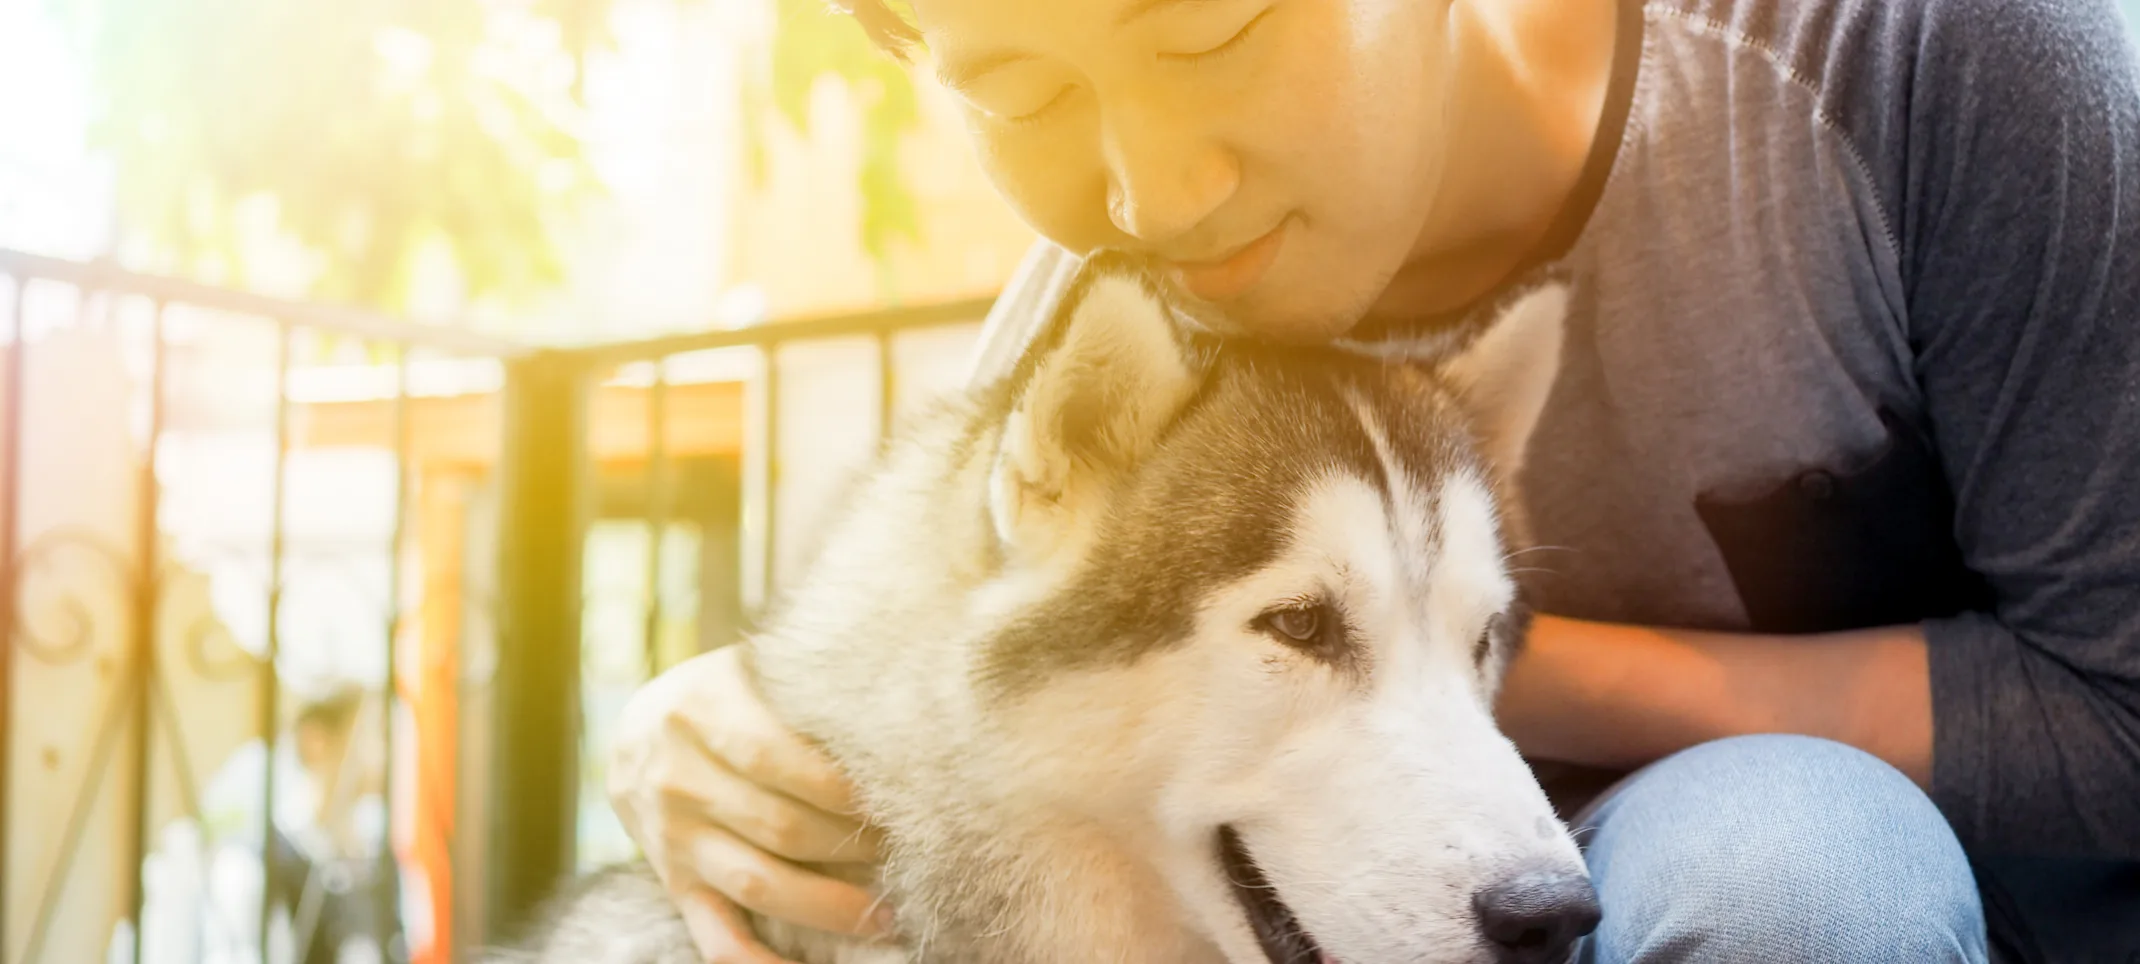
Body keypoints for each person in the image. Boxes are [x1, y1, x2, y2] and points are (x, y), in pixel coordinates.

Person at [603, 0, 2140, 959]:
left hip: (1936, 894)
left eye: (1208, 29)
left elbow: (2123, 717)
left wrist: (1430, 661)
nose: (1156, 189)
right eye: (1019, 88)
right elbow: (980, 683)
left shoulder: (1926, 56)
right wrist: (703, 739)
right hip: (1438, 899)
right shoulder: (1111, 308)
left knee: (1801, 869)